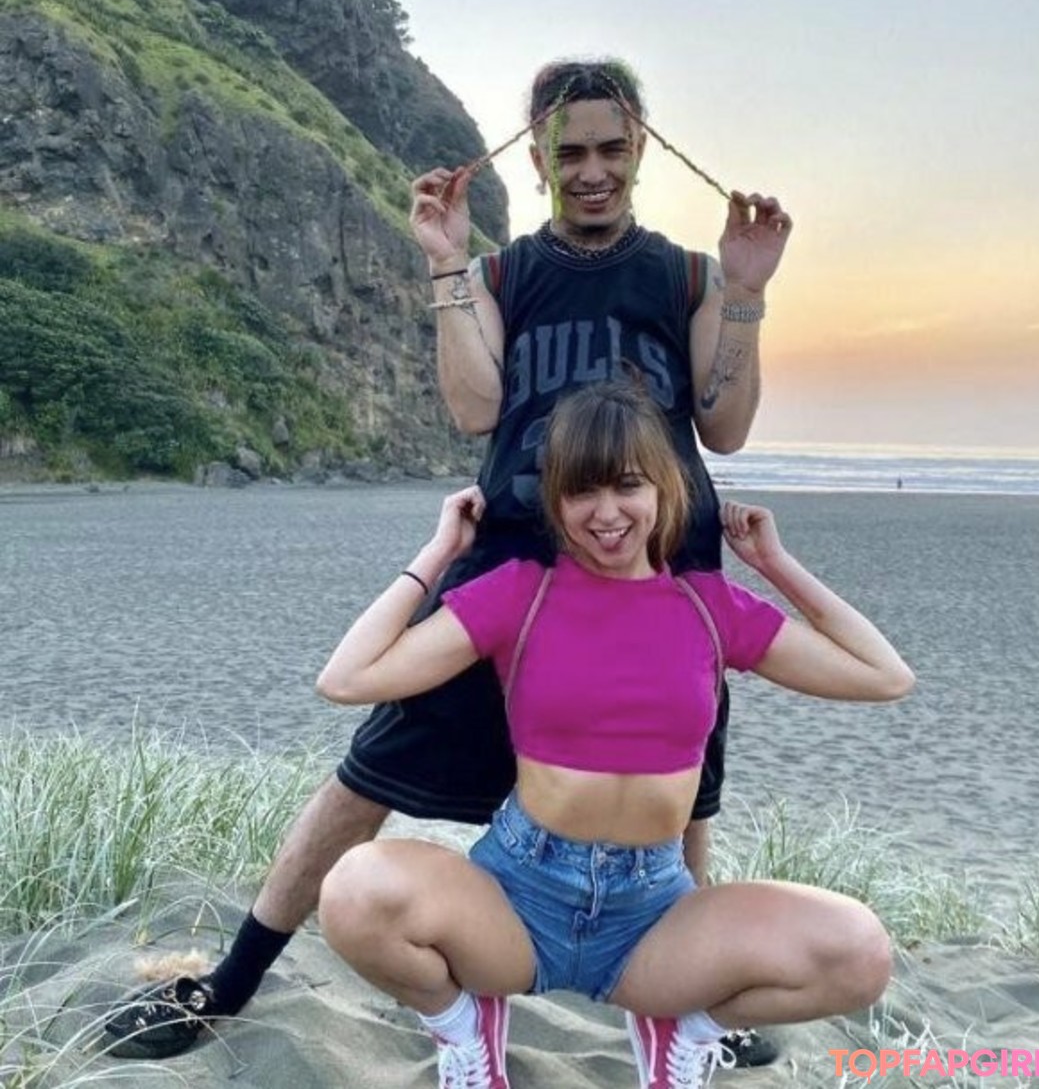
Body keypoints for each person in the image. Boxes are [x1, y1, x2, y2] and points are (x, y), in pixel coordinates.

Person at [103, 59, 792, 1063]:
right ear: (540, 159)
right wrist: (444, 263)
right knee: (371, 770)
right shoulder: (503, 275)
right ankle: (231, 979)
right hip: (515, 564)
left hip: (660, 566)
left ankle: (696, 1000)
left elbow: (724, 427)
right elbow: (475, 408)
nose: (592, 171)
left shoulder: (690, 276)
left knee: (684, 792)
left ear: (641, 145)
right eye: (570, 153)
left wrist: (747, 291)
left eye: (611, 148)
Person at [316, 381, 915, 1089]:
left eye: (628, 485)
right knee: (353, 891)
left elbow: (883, 675)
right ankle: (464, 1027)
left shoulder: (708, 605)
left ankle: (684, 1031)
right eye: (582, 491)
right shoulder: (520, 591)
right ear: (556, 501)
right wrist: (439, 551)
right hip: (517, 897)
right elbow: (347, 677)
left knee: (860, 953)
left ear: (663, 487)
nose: (606, 513)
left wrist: (774, 564)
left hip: (652, 916)